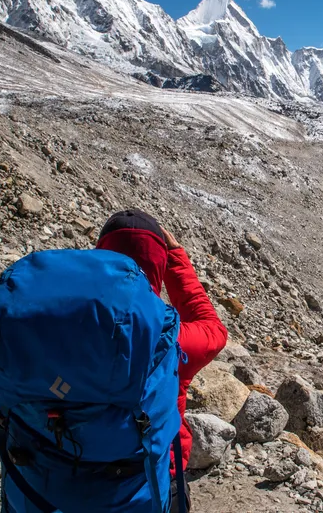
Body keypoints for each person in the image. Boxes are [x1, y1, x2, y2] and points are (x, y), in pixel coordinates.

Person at [96, 209, 228, 512]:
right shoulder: (168, 339)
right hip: (146, 480)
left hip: (56, 473)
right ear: (157, 263)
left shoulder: (59, 322)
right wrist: (177, 261)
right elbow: (213, 329)